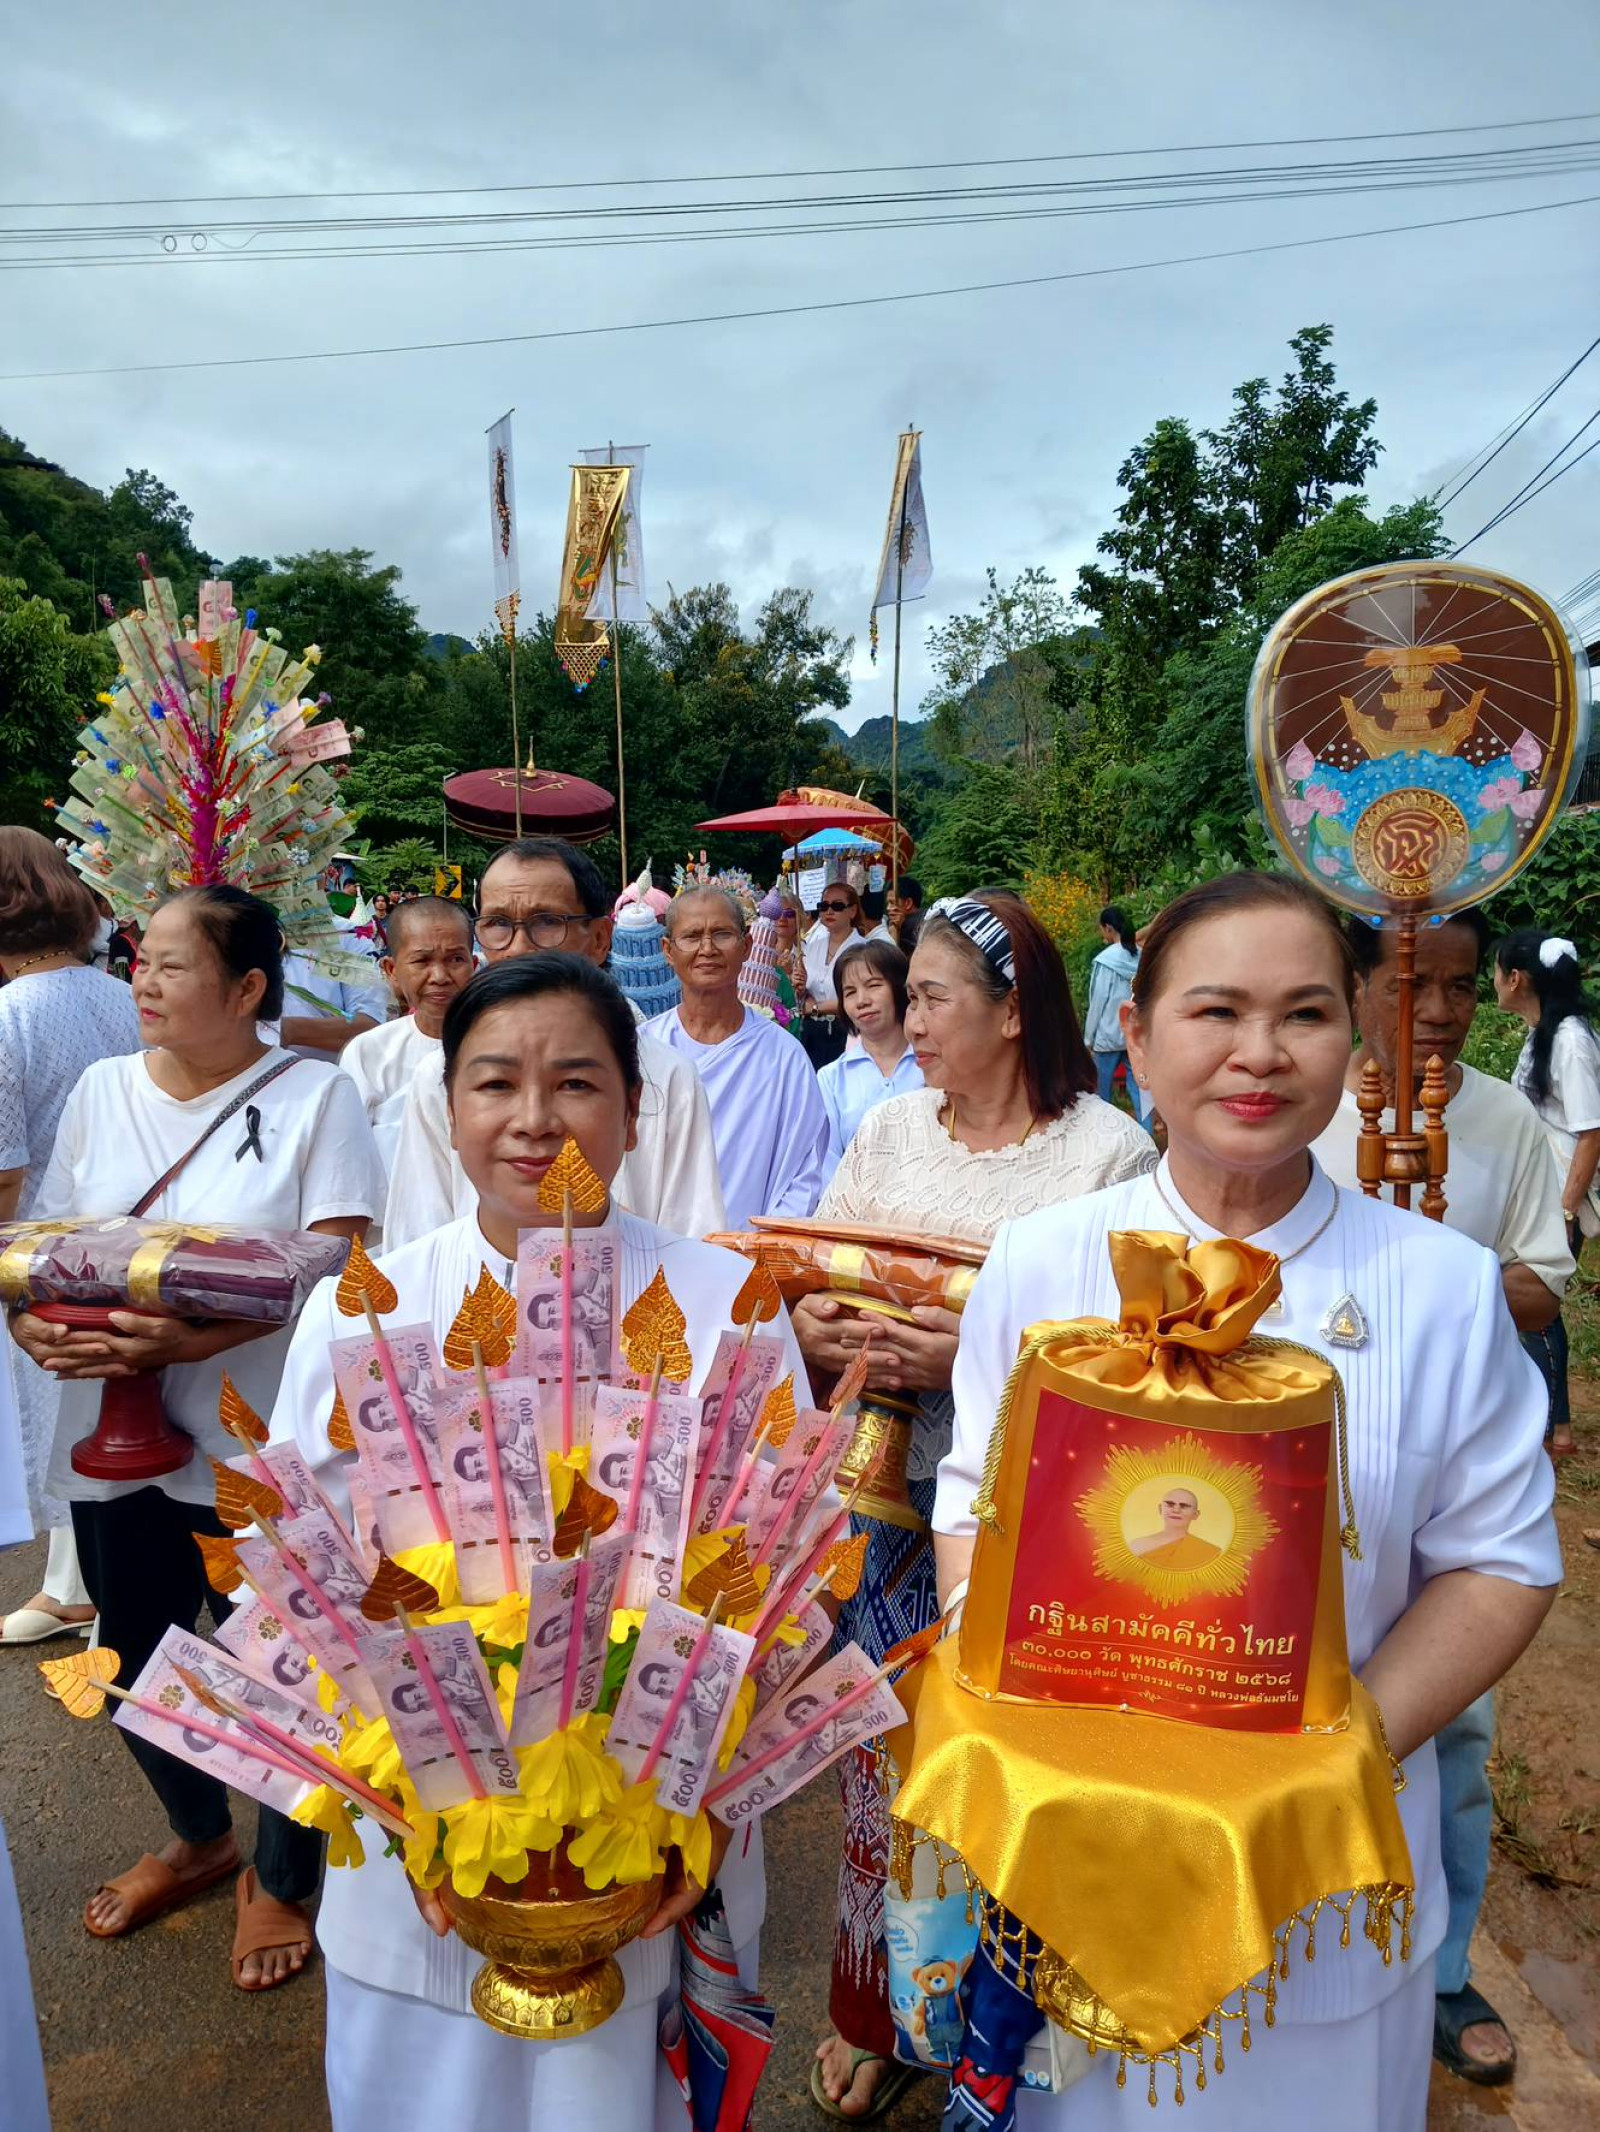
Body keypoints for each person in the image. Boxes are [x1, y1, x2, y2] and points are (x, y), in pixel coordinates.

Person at [936, 871, 1559, 2130]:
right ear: (1139, 1037)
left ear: (1356, 1034)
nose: (1259, 1054)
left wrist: (1340, 1754)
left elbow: (1499, 1560)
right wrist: (1047, 1726)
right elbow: (973, 1504)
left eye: (1307, 1013)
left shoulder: (1438, 1286)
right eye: (1215, 1010)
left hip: (1317, 1882)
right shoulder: (1043, 1261)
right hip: (1078, 1862)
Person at [267, 953, 810, 2132]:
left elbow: (785, 1571)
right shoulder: (369, 1307)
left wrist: (700, 1810)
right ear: (444, 1102)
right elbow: (304, 1580)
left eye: (574, 1083)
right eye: (493, 1082)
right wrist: (406, 1795)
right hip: (427, 1849)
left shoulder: (730, 1303)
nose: (533, 1120)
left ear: (631, 1104)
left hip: (656, 1845)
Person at [799, 890, 1154, 2121]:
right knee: (878, 1755)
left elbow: (1132, 1364)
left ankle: (995, 2028)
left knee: (1004, 1765)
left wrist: (973, 1356)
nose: (909, 1017)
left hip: (1029, 1522)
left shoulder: (1104, 1153)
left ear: (1012, 1013)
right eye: (908, 997)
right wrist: (816, 1326)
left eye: (935, 996)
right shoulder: (891, 1127)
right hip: (878, 1498)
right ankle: (880, 2008)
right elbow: (813, 1267)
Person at [6, 886, 385, 1992]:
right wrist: (30, 1322)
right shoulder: (98, 1089)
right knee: (127, 1651)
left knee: (284, 1664)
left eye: (173, 964)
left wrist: (184, 1334)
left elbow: (339, 1260)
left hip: (259, 1441)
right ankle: (197, 1830)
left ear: (249, 988)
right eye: (140, 958)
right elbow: (49, 1238)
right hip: (108, 1432)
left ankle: (282, 1874)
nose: (144, 979)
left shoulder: (318, 1095)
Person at [1311, 907, 1570, 2091]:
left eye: (1464, 987)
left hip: (1445, 1460)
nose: (1442, 1010)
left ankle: (1443, 1959)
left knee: (1448, 1724)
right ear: (1363, 986)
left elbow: (1539, 1283)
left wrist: (1426, 1264)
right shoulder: (1309, 1104)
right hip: (1310, 1464)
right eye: (1417, 986)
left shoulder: (1505, 1119)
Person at [383, 838, 724, 1250]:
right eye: (497, 924)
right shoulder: (438, 1075)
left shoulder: (668, 1077)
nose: (520, 947)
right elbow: (419, 1244)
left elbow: (691, 1245)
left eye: (546, 922)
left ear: (600, 938)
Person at [0, 827, 141, 1648]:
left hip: (40, 1249)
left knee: (58, 1417)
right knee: (98, 1410)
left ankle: (90, 1589)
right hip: (132, 1240)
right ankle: (75, 1583)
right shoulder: (124, 996)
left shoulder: (11, 1013)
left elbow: (6, 1169)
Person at [648, 886, 829, 1229]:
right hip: (654, 1259)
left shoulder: (783, 1056)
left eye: (721, 934)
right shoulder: (643, 1050)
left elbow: (805, 1174)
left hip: (751, 1259)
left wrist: (756, 1250)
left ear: (746, 946)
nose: (707, 949)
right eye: (691, 936)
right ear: (668, 951)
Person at [1494, 928, 1599, 1462]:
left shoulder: (1571, 1041)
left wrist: (1564, 1209)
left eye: (1494, 970)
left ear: (1516, 978)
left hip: (1561, 1196)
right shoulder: (1545, 1033)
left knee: (1541, 1306)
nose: (1492, 982)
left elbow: (1590, 1131)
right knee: (1535, 1308)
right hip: (1539, 1192)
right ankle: (1547, 1424)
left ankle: (1555, 1434)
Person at [339, 898, 475, 1209]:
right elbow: (349, 1158)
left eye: (455, 959)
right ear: (391, 970)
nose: (439, 976)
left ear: (474, 965)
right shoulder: (369, 1052)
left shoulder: (500, 1049)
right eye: (422, 961)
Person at [817, 937, 923, 1176]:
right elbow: (827, 1160)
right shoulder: (831, 1079)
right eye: (850, 992)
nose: (862, 1001)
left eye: (873, 985)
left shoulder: (934, 1064)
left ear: (899, 988)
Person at [800, 882, 875, 1071]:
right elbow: (805, 991)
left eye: (837, 906)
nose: (829, 911)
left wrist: (817, 1008)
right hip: (812, 1032)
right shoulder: (812, 946)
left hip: (847, 1031)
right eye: (823, 906)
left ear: (852, 911)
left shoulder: (862, 949)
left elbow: (859, 996)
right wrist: (799, 986)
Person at [1084, 906, 1144, 1116]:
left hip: (1107, 1038)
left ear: (1108, 928)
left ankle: (1105, 1140)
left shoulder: (1105, 961)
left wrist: (1088, 1039)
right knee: (1139, 1092)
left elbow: (1098, 1002)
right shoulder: (1141, 957)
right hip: (1134, 1035)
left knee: (1101, 1097)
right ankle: (1147, 1137)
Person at [1128, 1487, 1218, 1564]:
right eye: (1170, 1504)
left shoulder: (1211, 1552)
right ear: (1160, 1509)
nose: (1176, 1510)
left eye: (1184, 1506)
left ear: (1195, 1514)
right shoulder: (1137, 1546)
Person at [886, 875, 924, 954]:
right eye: (888, 903)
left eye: (892, 903)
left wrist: (895, 930)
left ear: (908, 903)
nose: (888, 908)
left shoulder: (919, 926)